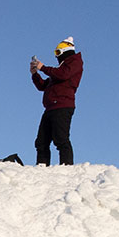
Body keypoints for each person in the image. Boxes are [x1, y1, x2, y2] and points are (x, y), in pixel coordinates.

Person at [28, 37, 81, 166]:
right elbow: (43, 86)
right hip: (50, 107)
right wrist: (35, 74)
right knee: (41, 141)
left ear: (65, 51)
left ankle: (67, 167)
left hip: (62, 106)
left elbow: (63, 74)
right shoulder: (59, 70)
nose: (56, 56)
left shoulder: (75, 63)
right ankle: (42, 167)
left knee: (61, 139)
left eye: (58, 53)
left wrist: (43, 68)